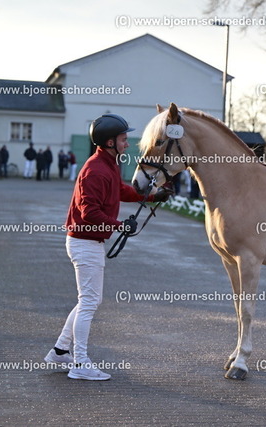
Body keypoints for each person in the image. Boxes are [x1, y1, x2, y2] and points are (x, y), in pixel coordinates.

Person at [44, 114, 172, 381]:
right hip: (84, 242)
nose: (128, 143)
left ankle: (60, 351)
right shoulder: (95, 170)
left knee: (88, 300)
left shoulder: (108, 164)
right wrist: (119, 225)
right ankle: (80, 364)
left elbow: (121, 191)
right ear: (111, 142)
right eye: (124, 139)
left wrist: (151, 196)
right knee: (89, 302)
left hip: (89, 242)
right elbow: (89, 212)